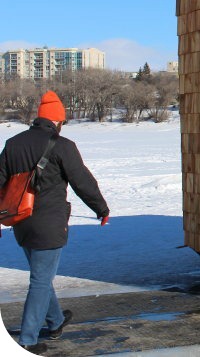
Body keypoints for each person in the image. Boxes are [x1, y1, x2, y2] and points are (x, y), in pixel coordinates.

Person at [0, 91, 110, 354]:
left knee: (41, 274)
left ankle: (56, 321)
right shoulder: (62, 145)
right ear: (57, 120)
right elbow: (82, 181)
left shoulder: (13, 143)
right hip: (49, 224)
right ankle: (27, 339)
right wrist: (101, 209)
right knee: (40, 279)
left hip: (21, 221)